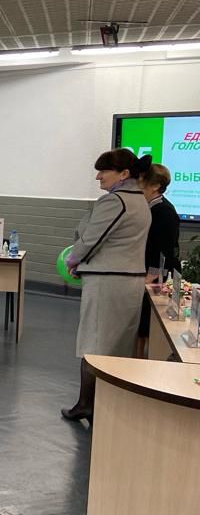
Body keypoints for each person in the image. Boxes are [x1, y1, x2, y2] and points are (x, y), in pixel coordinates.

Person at [61, 150, 152, 423]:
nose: (98, 177)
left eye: (103, 171)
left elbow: (91, 239)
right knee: (117, 346)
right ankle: (107, 407)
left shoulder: (114, 201)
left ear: (124, 174)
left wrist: (72, 261)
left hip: (107, 282)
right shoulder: (140, 201)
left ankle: (85, 405)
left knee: (94, 344)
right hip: (129, 282)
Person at [136, 164, 180, 357]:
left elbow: (164, 249)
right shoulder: (150, 208)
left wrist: (151, 276)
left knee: (146, 321)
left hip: (156, 275)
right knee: (141, 322)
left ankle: (141, 357)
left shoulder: (163, 211)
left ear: (155, 186)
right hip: (148, 270)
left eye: (142, 181)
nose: (138, 185)